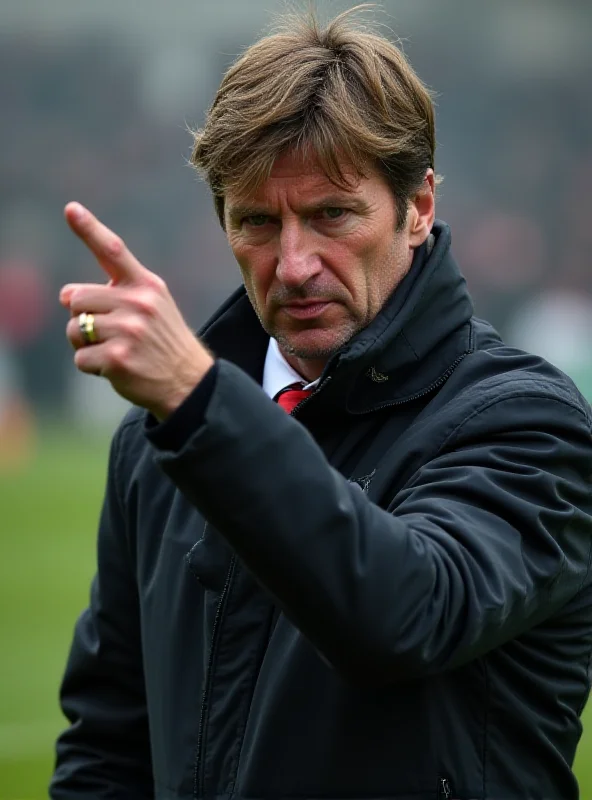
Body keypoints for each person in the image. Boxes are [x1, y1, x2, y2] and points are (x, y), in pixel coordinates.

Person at [50, 9, 592, 800]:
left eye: (331, 214)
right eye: (258, 222)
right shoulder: (159, 440)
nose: (294, 263)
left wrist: (200, 404)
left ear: (419, 207)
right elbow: (108, 747)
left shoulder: (526, 421)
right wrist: (195, 413)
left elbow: (404, 615)